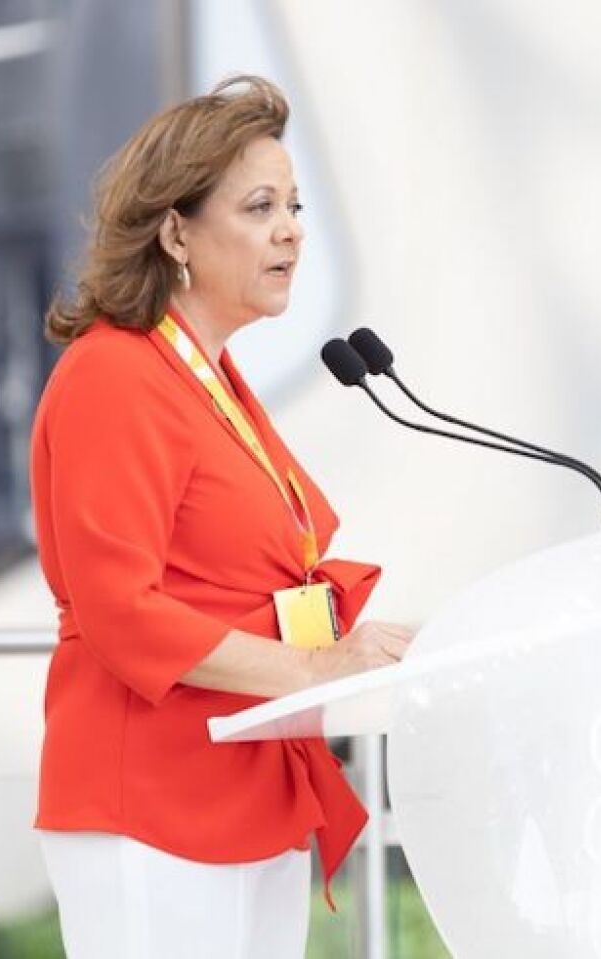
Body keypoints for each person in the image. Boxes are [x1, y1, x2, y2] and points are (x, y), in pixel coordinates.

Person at [29, 75, 412, 958]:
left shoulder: (213, 381)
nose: (291, 229)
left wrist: (352, 657)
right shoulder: (114, 373)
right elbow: (122, 609)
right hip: (152, 800)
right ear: (175, 231)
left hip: (244, 785)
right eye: (259, 206)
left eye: (295, 204)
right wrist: (315, 666)